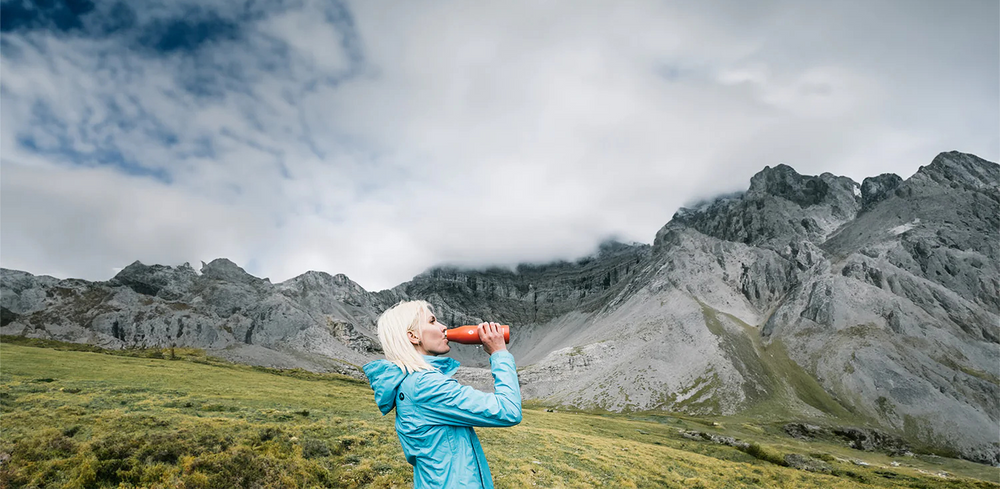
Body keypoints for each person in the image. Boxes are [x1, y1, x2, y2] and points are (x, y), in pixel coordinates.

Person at [363, 300, 521, 488]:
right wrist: (499, 353)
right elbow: (508, 411)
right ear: (413, 336)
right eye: (432, 321)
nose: (443, 327)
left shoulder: (411, 381)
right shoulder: (424, 385)